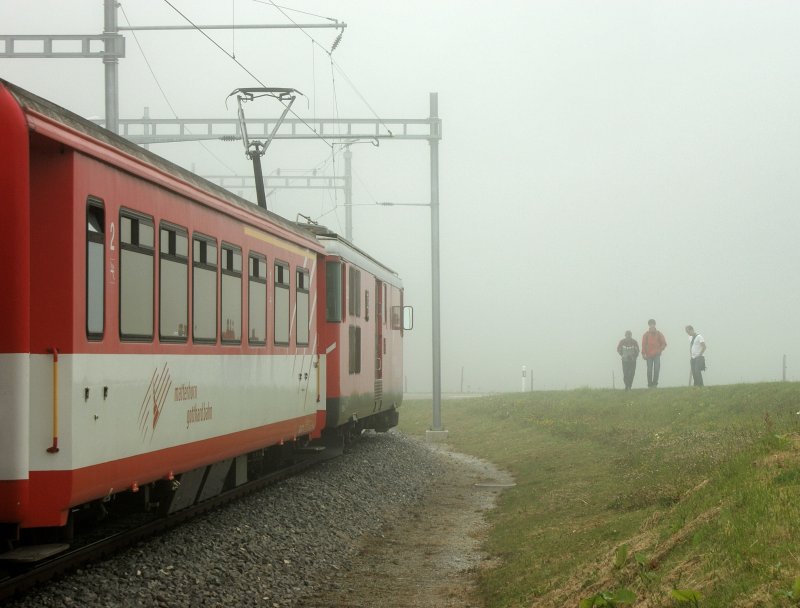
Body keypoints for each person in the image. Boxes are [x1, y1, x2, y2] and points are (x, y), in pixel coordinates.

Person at [641, 319, 667, 388]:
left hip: (657, 355)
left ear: (654, 325)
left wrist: (660, 349)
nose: (652, 325)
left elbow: (664, 343)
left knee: (656, 369)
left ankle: (655, 384)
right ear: (649, 325)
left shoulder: (659, 334)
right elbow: (643, 345)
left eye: (653, 324)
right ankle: (650, 384)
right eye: (650, 324)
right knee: (649, 370)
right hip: (648, 355)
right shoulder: (646, 335)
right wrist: (643, 354)